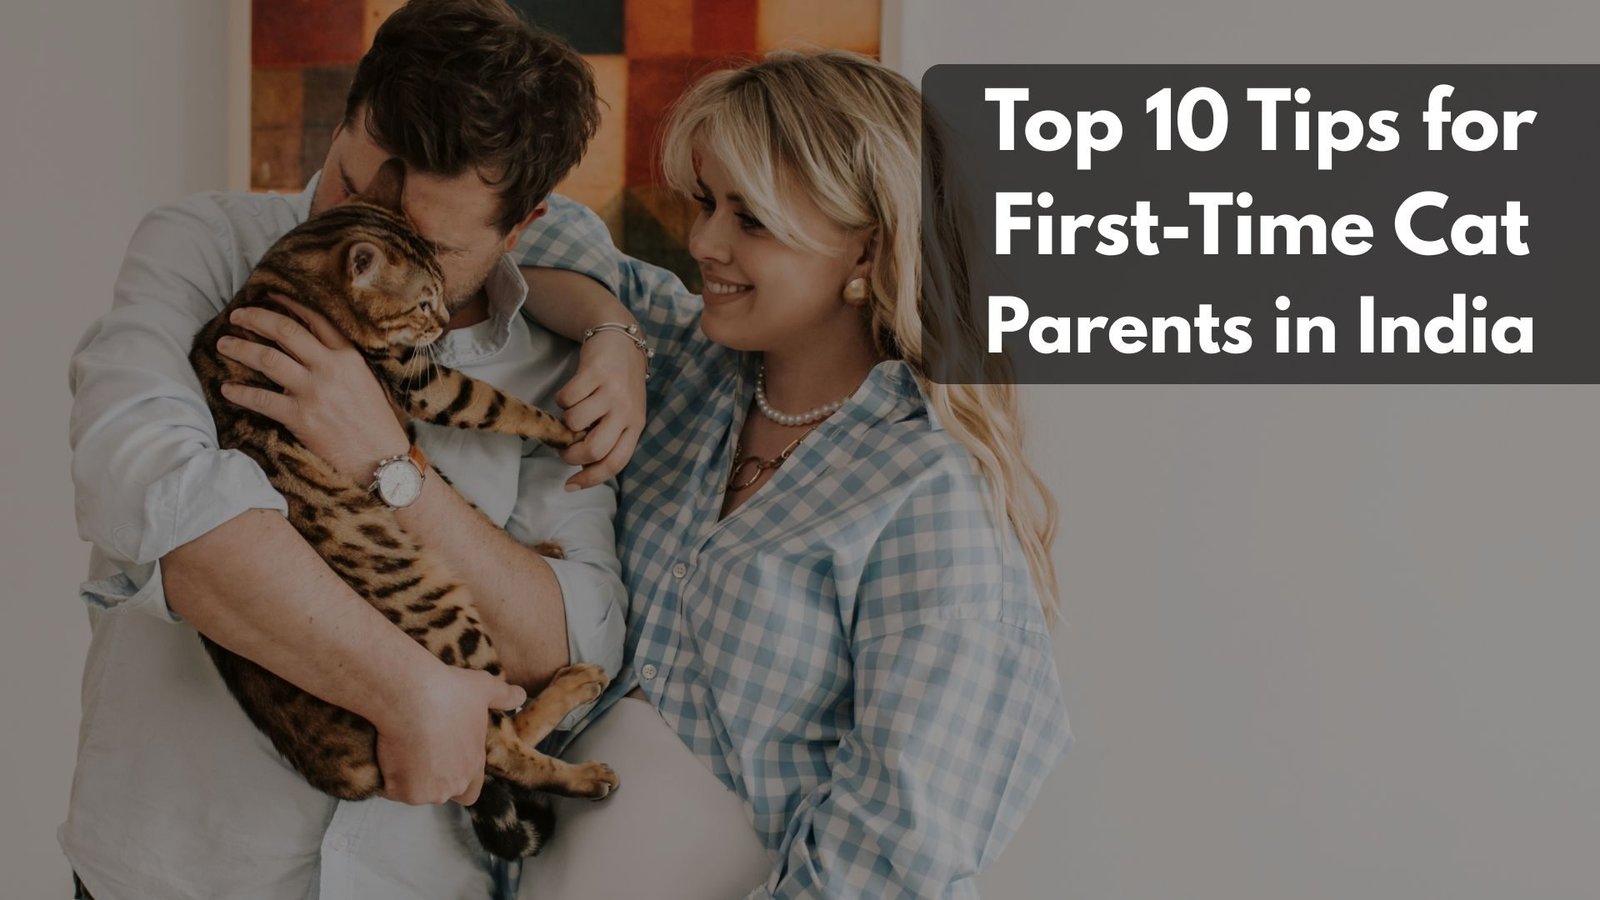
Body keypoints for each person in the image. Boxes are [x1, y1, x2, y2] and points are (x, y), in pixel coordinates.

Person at [238, 49, 1072, 898]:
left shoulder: (929, 498)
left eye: (751, 221)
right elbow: (531, 221)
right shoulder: (677, 361)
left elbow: (899, 848)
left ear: (867, 250)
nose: (703, 241)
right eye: (705, 202)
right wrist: (609, 328)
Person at [61, 2, 644, 898]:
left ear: (522, 227)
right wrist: (413, 691)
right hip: (181, 872)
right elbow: (157, 501)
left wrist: (389, 463)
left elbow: (562, 639)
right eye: (349, 187)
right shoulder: (205, 247)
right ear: (342, 122)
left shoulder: (555, 362)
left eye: (435, 244)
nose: (369, 240)